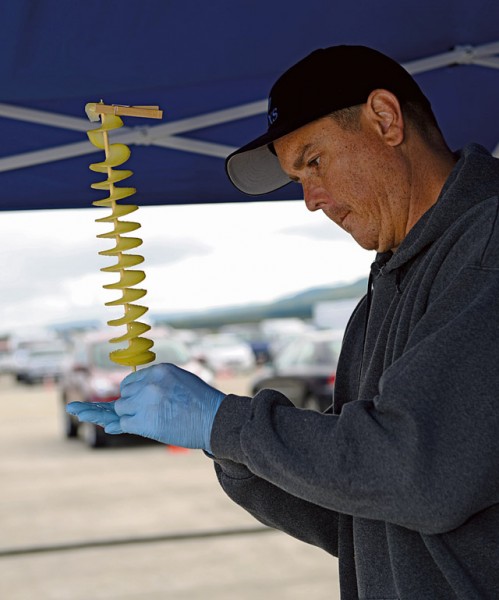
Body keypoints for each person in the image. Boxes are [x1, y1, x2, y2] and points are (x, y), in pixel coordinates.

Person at [67, 45, 499, 599]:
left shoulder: (487, 247)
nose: (310, 201)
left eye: (313, 162)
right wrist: (225, 444)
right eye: (298, 178)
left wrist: (226, 422)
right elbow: (354, 515)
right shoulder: (383, 297)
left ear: (385, 120)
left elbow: (421, 474)